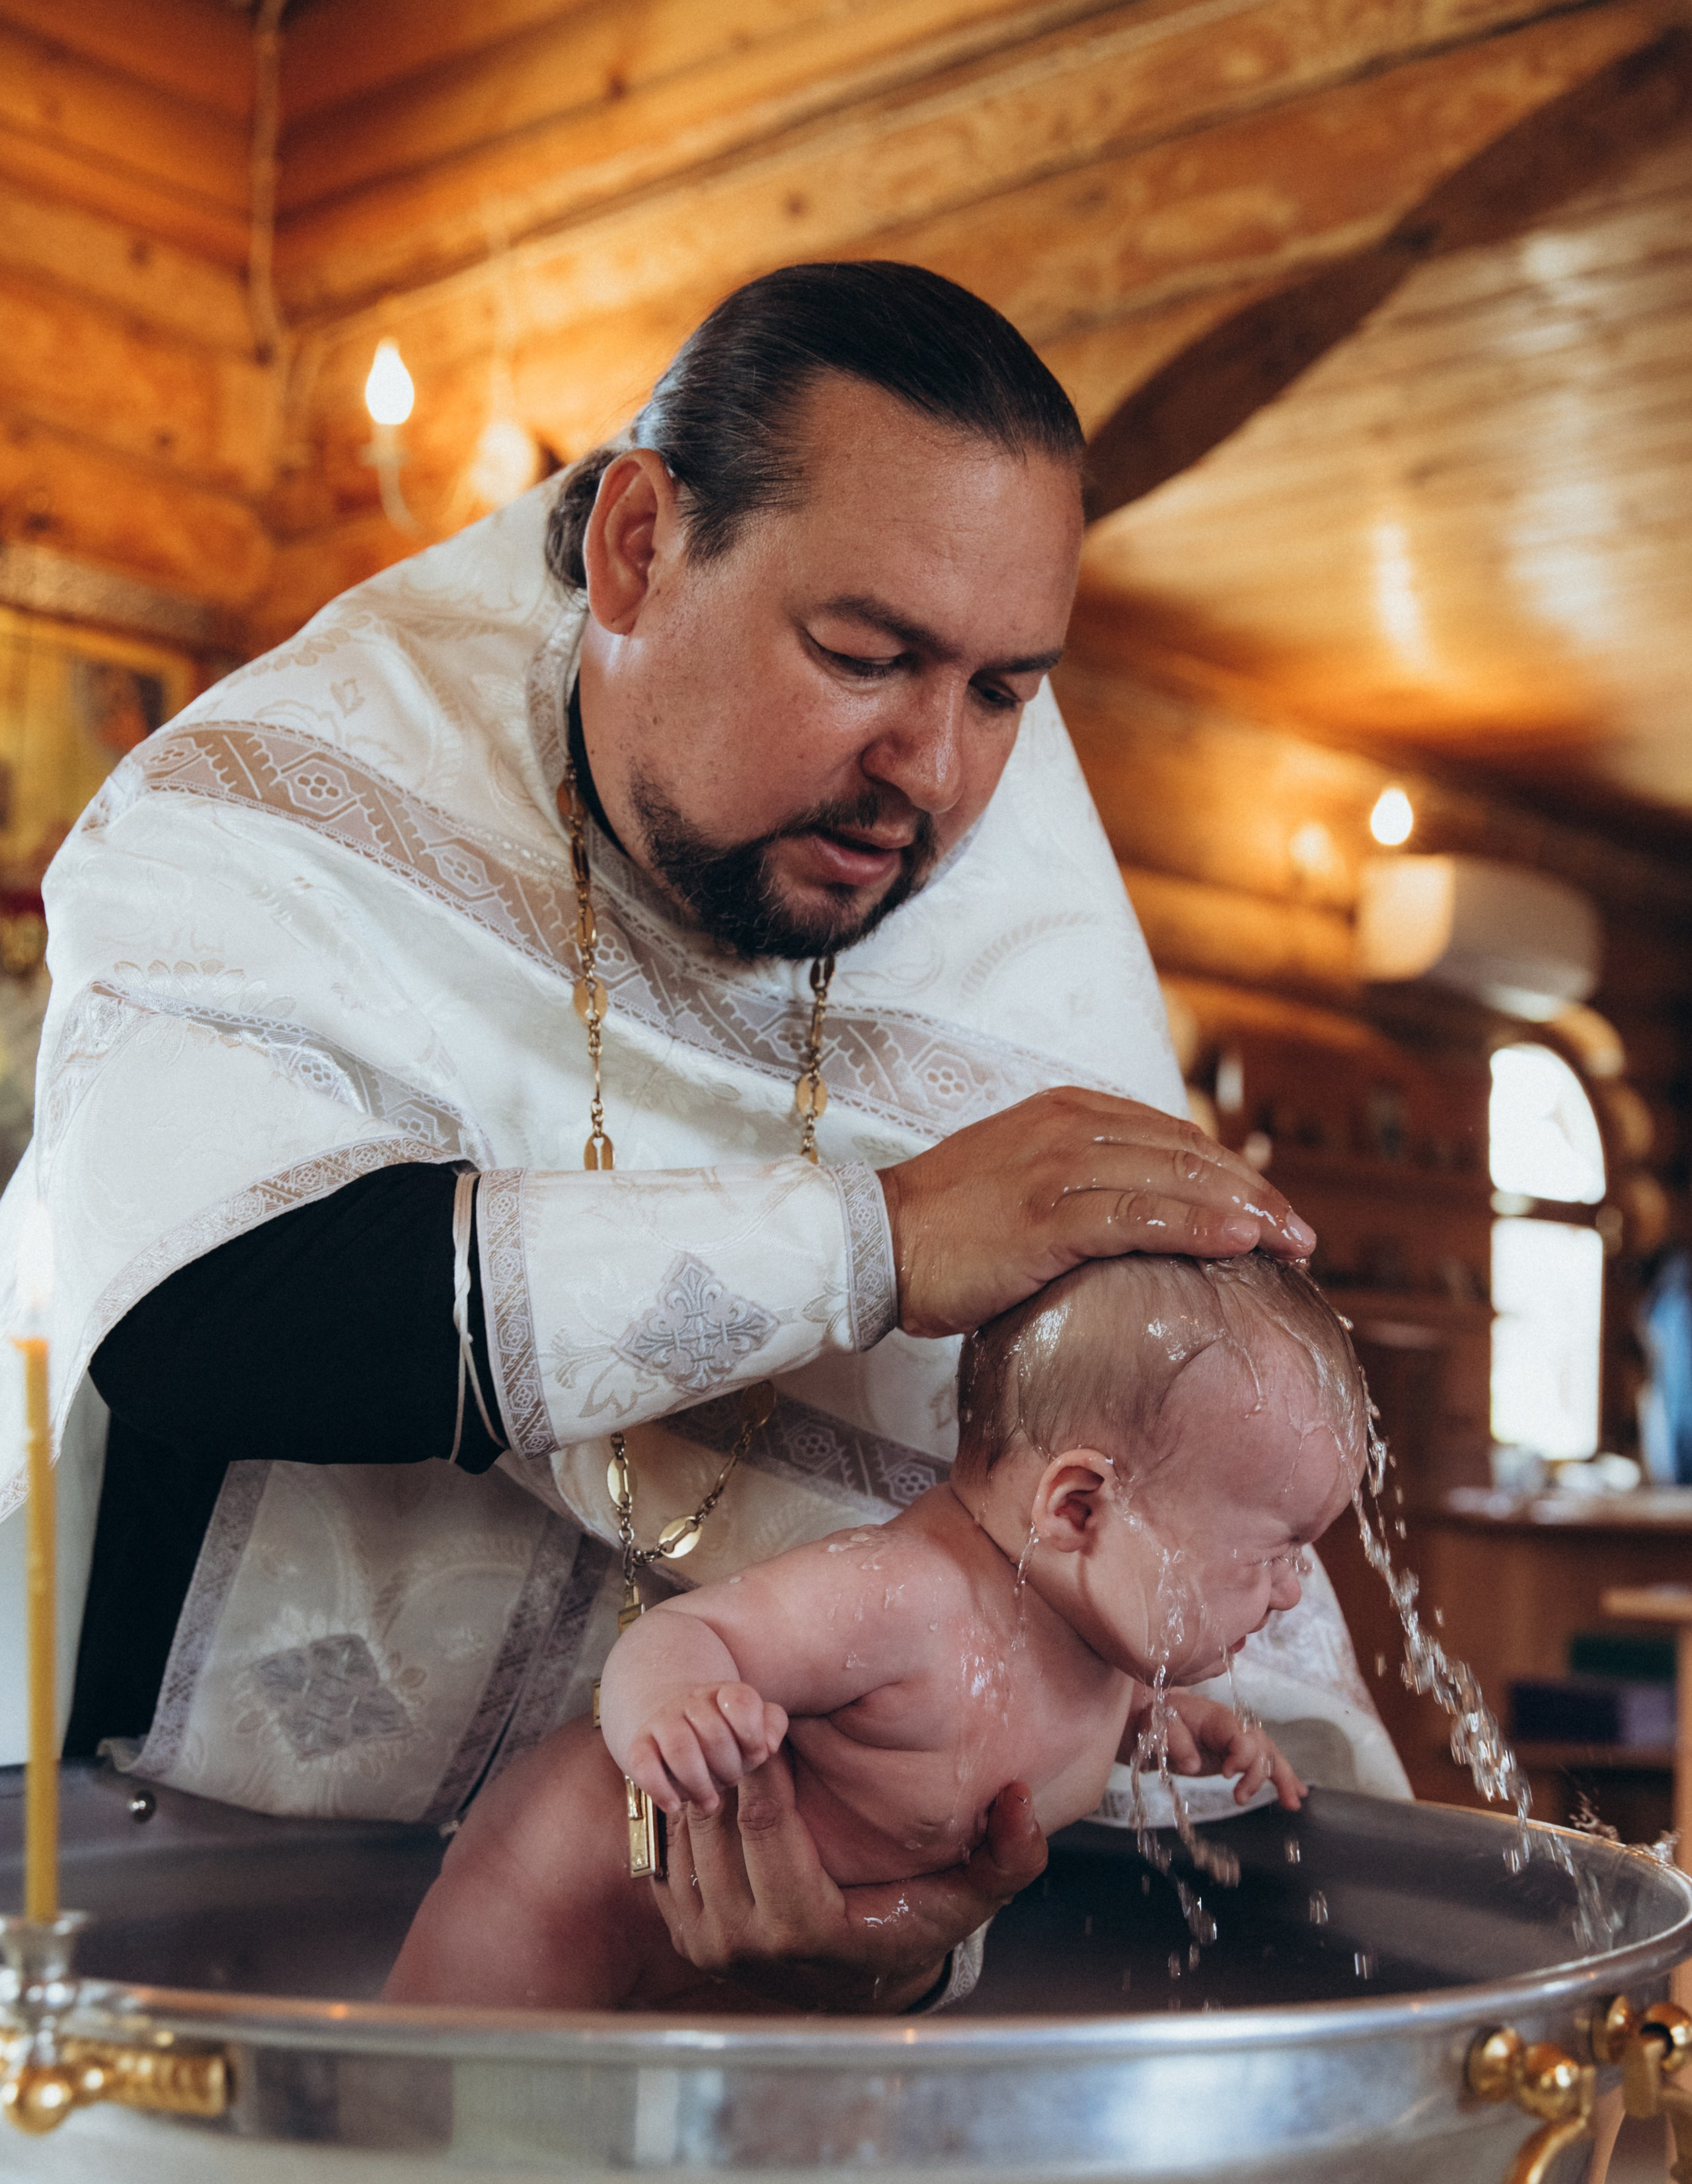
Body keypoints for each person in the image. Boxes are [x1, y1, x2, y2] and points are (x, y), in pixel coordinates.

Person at [0, 260, 1407, 2017]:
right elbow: (208, 1309)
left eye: (1004, 691)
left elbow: (1165, 1489)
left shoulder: (1023, 937)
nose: (937, 775)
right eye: (865, 655)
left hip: (713, 1962)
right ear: (639, 548)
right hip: (204, 1871)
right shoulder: (283, 794)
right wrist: (874, 1240)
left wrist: (954, 1871)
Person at [386, 1250, 1365, 2012]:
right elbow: (689, 1636)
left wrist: (1169, 1730)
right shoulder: (906, 1596)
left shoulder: (1101, 1648)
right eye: (1277, 1553)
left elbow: (1048, 1730)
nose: (1290, 1595)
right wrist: (674, 1714)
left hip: (770, 1968)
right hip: (569, 1886)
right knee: (441, 2113)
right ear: (1076, 1510)